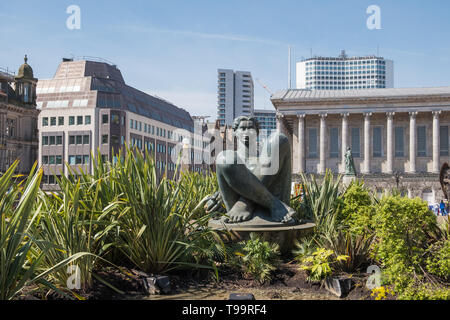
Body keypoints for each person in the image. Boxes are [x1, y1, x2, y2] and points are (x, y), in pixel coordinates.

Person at [205, 116, 295, 224]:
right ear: (234, 132)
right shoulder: (229, 160)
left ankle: (244, 204)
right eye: (242, 128)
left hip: (268, 212)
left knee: (279, 139)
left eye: (251, 128)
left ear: (257, 132)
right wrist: (218, 198)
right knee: (224, 158)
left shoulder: (267, 159)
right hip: (237, 210)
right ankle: (274, 203)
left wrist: (243, 200)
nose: (247, 132)